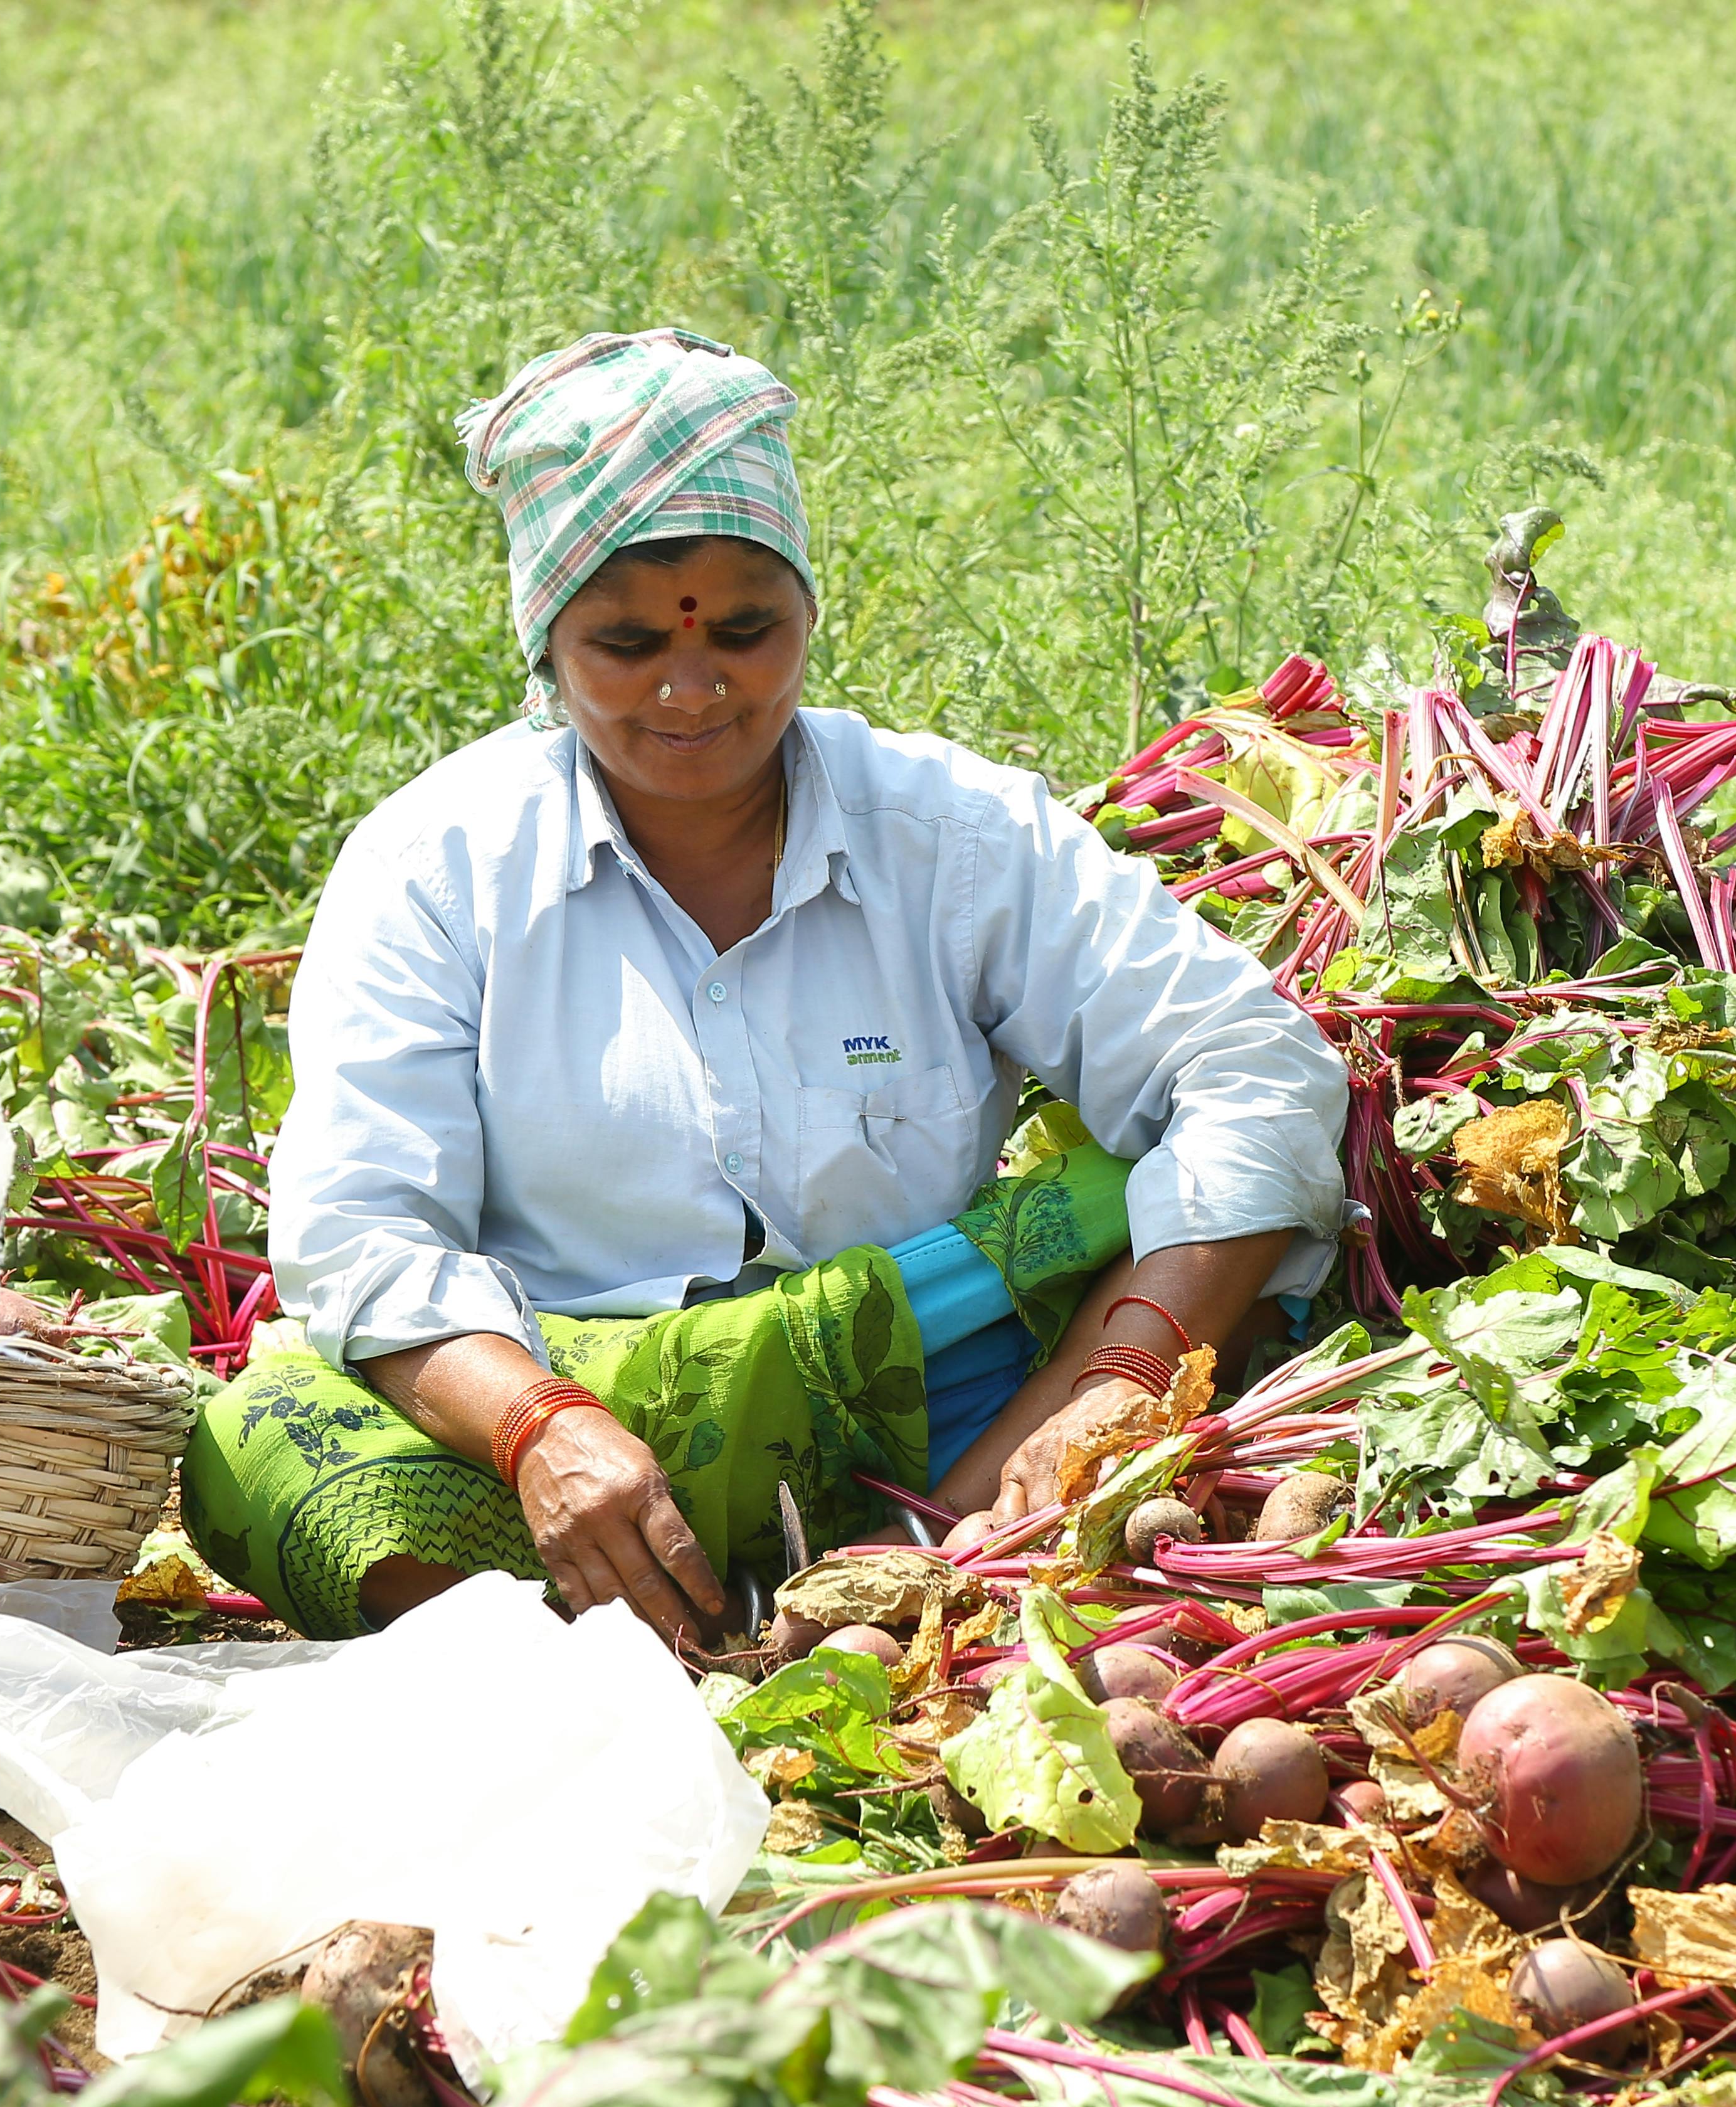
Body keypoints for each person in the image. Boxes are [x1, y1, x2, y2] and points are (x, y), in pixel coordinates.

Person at [183, 328, 1348, 1645]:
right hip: (582, 1446)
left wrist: (1124, 1377)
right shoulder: (438, 866)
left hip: (939, 1407)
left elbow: (1254, 1066)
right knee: (257, 1443)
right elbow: (360, 1234)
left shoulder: (950, 831)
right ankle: (667, 1648)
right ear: (545, 644)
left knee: (1132, 1215)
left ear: (807, 616)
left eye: (747, 630)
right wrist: (539, 1427)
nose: (694, 686)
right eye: (625, 643)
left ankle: (941, 1559)